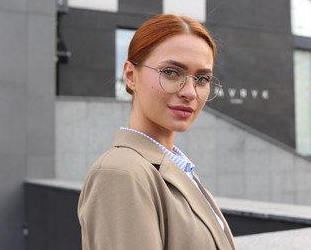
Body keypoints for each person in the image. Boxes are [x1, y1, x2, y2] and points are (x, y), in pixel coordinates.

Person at [78, 14, 237, 250]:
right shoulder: (121, 173)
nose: (190, 92)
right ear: (131, 76)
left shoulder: (176, 167)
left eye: (202, 79)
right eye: (171, 72)